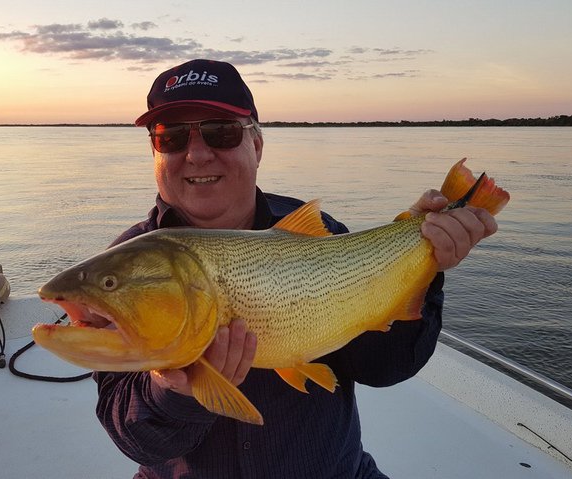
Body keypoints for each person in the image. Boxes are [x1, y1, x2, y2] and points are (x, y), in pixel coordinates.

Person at [93, 59, 498, 478]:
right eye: (171, 137)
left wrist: (424, 261)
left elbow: (385, 366)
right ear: (154, 152)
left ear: (257, 146)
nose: (196, 154)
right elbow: (133, 438)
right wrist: (172, 389)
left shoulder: (318, 236)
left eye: (221, 132)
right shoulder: (123, 269)